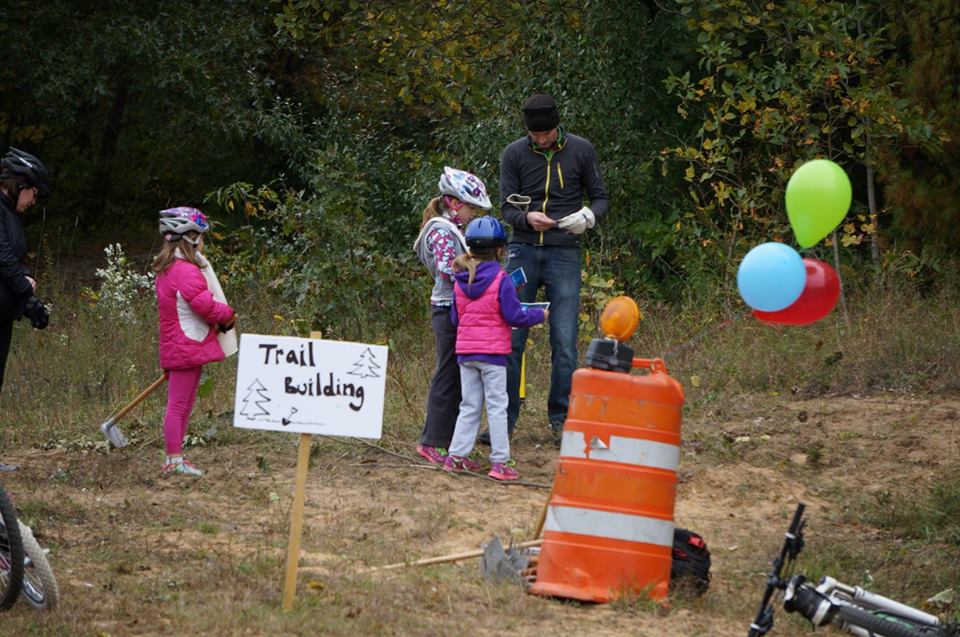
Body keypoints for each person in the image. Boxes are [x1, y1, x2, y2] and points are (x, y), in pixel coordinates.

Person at [497, 93, 609, 442]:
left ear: (557, 127)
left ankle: (562, 418)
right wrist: (526, 218)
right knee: (511, 339)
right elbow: (505, 207)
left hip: (564, 251)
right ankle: (504, 420)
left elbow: (602, 197)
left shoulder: (581, 150)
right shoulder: (514, 154)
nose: (541, 140)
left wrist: (588, 217)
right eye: (535, 135)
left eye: (546, 134)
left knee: (565, 340)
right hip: (523, 251)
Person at [444, 217, 547, 481]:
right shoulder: (502, 279)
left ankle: (456, 457)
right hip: (493, 355)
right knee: (497, 407)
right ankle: (500, 462)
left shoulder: (459, 279)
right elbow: (514, 316)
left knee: (469, 405)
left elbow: (456, 319)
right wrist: (540, 316)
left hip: (466, 354)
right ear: (500, 251)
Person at [411, 167, 492, 465]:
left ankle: (452, 446)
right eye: (472, 207)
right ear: (455, 203)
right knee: (447, 374)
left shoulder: (455, 229)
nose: (474, 214)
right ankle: (432, 441)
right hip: (447, 309)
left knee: (460, 377)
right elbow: (447, 268)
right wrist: (480, 273)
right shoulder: (442, 231)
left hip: (459, 309)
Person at [153, 207, 236, 477]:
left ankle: (176, 455)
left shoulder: (167, 269)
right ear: (189, 237)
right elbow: (204, 306)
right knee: (178, 405)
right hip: (186, 344)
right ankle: (173, 457)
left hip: (182, 343)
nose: (203, 242)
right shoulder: (186, 271)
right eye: (200, 236)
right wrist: (228, 314)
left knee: (184, 403)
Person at [0, 148, 52, 472]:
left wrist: (24, 294)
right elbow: (2, 257)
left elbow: (11, 264)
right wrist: (25, 292)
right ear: (20, 184)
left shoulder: (9, 214)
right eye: (34, 192)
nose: (34, 200)